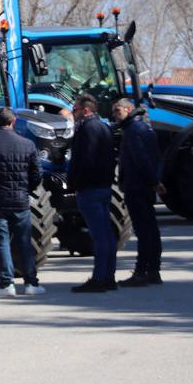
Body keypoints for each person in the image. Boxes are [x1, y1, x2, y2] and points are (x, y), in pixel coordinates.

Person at [0, 107, 45, 296]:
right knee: (24, 242)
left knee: (2, 242)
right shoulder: (27, 144)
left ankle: (7, 284)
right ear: (13, 122)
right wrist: (26, 190)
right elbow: (37, 174)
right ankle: (31, 283)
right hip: (20, 200)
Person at [68, 94, 117, 293]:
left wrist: (77, 182)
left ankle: (100, 278)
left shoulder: (88, 129)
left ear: (85, 110)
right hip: (103, 186)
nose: (73, 113)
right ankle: (108, 276)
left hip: (91, 189)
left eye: (75, 109)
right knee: (106, 234)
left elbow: (86, 160)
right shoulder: (104, 127)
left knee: (99, 236)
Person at [112, 98, 164, 286]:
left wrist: (154, 181)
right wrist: (155, 180)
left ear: (129, 109)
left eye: (118, 110)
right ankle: (153, 270)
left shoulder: (134, 131)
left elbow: (141, 158)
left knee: (144, 231)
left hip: (137, 186)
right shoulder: (143, 127)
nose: (114, 115)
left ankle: (143, 272)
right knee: (150, 229)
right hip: (143, 185)